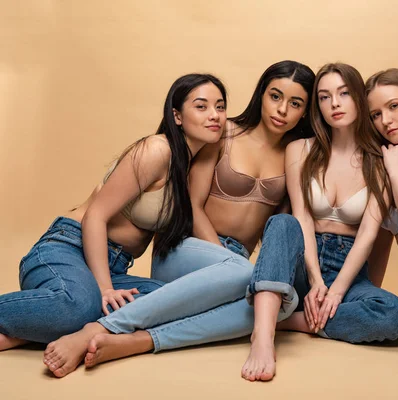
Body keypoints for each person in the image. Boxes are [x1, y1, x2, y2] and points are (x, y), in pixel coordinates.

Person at [41, 61, 316, 381]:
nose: (282, 109)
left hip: (238, 260)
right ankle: (100, 327)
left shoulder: (297, 152)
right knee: (246, 279)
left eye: (295, 103)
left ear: (305, 112)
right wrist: (225, 259)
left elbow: (284, 221)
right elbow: (193, 205)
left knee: (280, 304)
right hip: (190, 247)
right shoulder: (223, 132)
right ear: (261, 95)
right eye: (275, 96)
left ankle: (140, 341)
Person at [0, 73, 228, 377]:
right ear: (177, 116)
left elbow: (196, 218)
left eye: (220, 107)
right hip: (67, 249)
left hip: (112, 267)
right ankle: (59, 317)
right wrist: (105, 290)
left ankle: (22, 334)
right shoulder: (156, 150)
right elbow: (95, 216)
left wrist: (231, 269)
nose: (214, 115)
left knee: (168, 301)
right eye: (201, 106)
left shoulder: (187, 167)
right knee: (80, 305)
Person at [243, 63, 398, 382]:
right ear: (317, 105)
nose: (335, 103)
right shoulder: (300, 149)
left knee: (393, 314)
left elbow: (368, 235)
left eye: (344, 94)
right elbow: (302, 216)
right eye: (324, 96)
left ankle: (286, 320)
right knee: (283, 223)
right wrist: (317, 281)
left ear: (359, 98)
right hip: (304, 262)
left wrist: (335, 292)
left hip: (350, 267)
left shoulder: (381, 160)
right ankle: (262, 340)